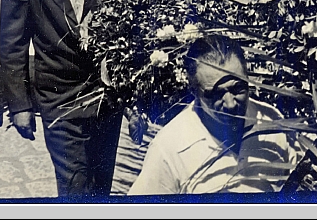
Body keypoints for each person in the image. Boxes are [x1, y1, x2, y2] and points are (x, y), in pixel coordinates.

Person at [0, 0, 125, 198]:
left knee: (101, 183)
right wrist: (20, 106)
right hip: (61, 97)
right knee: (75, 188)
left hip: (107, 96)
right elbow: (12, 43)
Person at [128, 35, 299, 194]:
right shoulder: (169, 148)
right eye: (215, 94)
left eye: (238, 88)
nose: (230, 104)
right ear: (194, 91)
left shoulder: (273, 122)